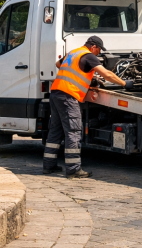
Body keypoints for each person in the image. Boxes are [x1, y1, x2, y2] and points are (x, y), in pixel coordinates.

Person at [43, 35, 131, 179]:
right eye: (99, 50)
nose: (99, 54)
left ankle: (48, 165)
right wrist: (124, 83)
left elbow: (59, 65)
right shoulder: (89, 56)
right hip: (68, 96)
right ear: (93, 47)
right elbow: (107, 74)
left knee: (55, 131)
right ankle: (73, 169)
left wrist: (88, 78)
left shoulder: (73, 52)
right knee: (73, 131)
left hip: (56, 93)